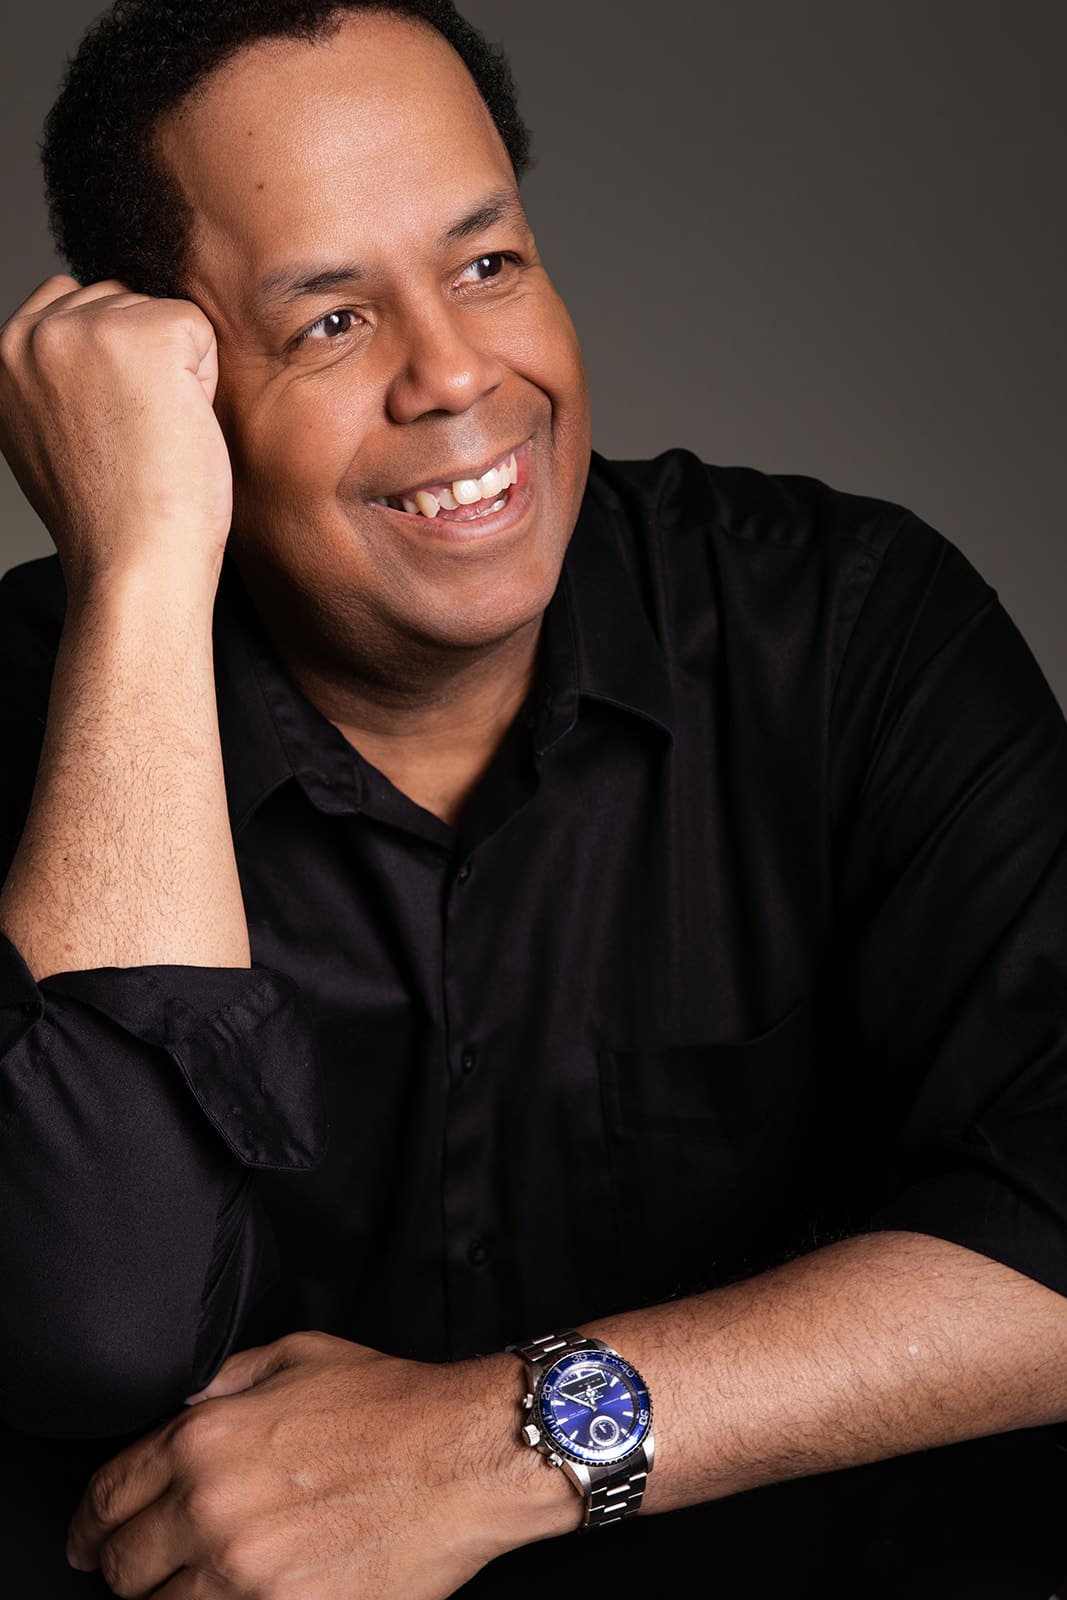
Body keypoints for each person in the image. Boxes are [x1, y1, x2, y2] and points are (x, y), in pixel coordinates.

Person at [0, 1, 1066, 1596]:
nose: (454, 375)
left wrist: (497, 1445)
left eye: (488, 265)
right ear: (176, 387)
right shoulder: (29, 709)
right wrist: (140, 568)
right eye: (329, 323)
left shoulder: (851, 630)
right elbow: (99, 1319)